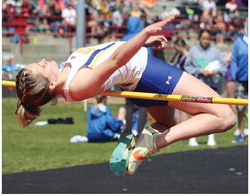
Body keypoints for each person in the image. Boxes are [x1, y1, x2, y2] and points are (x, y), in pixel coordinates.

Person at [15, 15, 235, 176]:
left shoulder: (64, 73)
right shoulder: (76, 86)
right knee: (225, 117)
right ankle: (150, 143)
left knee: (173, 122)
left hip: (138, 80)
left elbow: (106, 51)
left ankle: (137, 142)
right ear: (51, 83)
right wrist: (144, 34)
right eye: (41, 67)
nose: (44, 61)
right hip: (149, 74)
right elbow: (115, 61)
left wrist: (142, 43)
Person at [184, 29, 228, 147]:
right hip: (197, 85)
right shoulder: (193, 51)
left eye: (207, 38)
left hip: (212, 85)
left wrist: (215, 71)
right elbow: (187, 66)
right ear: (199, 38)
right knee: (195, 111)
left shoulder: (215, 52)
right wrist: (200, 71)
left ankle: (211, 137)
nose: (205, 41)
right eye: (203, 38)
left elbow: (224, 66)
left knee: (213, 112)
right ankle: (192, 137)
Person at [231, 22, 248, 143]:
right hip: (242, 80)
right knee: (241, 109)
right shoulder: (239, 42)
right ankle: (241, 133)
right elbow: (233, 60)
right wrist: (234, 74)